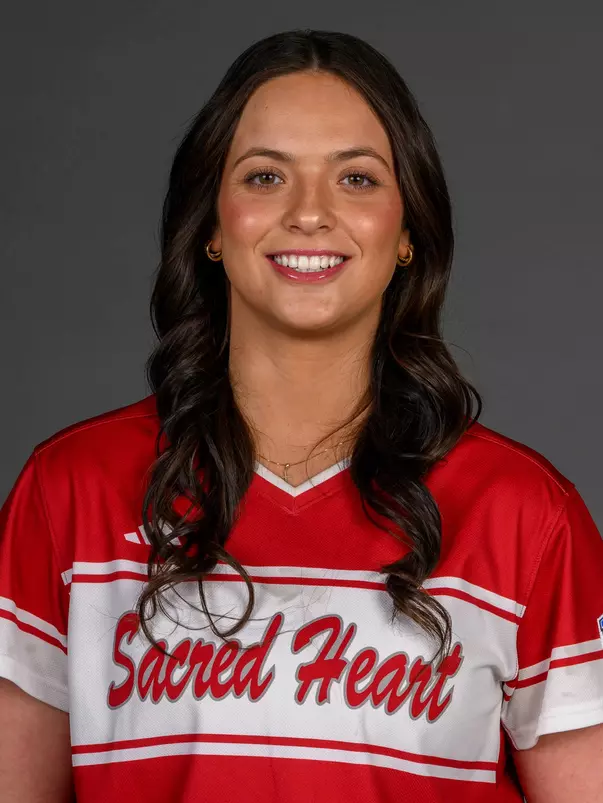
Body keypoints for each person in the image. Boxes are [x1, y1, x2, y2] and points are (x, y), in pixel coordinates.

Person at [0, 28, 602, 803]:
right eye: (263, 177)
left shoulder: (524, 513)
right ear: (212, 228)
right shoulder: (70, 490)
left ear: (408, 230)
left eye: (356, 178)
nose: (310, 213)